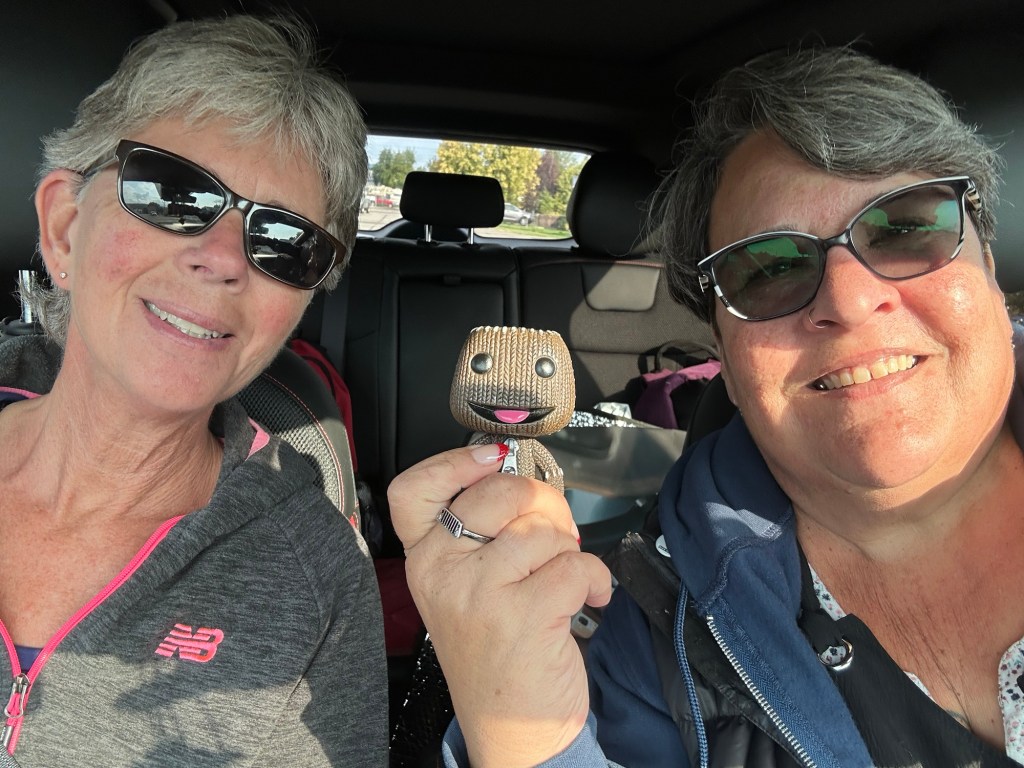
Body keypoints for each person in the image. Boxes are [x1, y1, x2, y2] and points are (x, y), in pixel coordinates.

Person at [388, 45, 1024, 767]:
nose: (848, 302)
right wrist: (521, 729)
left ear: (988, 254)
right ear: (720, 341)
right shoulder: (648, 609)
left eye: (907, 229)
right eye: (769, 268)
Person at [0, 14, 387, 766]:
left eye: (284, 241)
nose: (224, 259)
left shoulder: (316, 576)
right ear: (63, 226)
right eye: (173, 193)